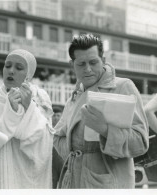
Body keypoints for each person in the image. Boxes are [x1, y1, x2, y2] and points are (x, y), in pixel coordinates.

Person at [54, 34, 149, 189]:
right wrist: (76, 155)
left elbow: (141, 143)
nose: (88, 69)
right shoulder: (75, 96)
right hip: (71, 182)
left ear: (103, 61)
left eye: (93, 62)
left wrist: (105, 130)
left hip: (106, 183)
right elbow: (57, 136)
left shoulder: (123, 87)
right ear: (72, 64)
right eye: (81, 64)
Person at [0, 49, 54, 188]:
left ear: (28, 76)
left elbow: (45, 146)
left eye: (19, 68)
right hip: (0, 180)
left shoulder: (41, 99)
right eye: (7, 66)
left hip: (32, 181)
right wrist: (11, 112)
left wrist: (29, 107)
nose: (11, 71)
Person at [51, 106, 64, 189]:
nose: (56, 118)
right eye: (54, 116)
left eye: (58, 115)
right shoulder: (48, 129)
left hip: (62, 159)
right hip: (51, 161)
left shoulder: (64, 129)